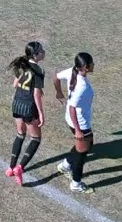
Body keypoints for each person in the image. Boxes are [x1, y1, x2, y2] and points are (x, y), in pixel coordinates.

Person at [5, 41, 47, 186]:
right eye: (41, 51)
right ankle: (20, 168)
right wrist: (41, 113)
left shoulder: (21, 65)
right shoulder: (39, 71)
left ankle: (10, 167)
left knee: (20, 135)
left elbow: (15, 84)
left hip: (17, 104)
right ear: (35, 55)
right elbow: (36, 95)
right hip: (29, 107)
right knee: (35, 139)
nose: (44, 52)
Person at [53, 53, 96, 194]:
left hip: (72, 120)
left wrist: (59, 92)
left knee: (85, 146)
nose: (94, 64)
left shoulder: (72, 71)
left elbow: (56, 77)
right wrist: (78, 130)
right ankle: (76, 183)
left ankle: (65, 165)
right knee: (82, 152)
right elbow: (72, 107)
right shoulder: (82, 86)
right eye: (92, 63)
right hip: (80, 123)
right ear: (85, 67)